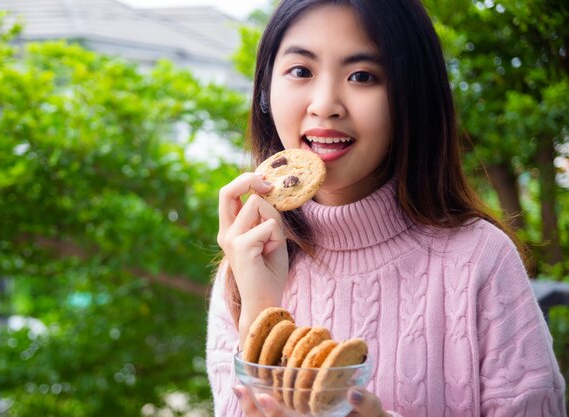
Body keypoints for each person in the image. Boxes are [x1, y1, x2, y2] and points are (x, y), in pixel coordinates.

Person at [206, 0, 567, 416]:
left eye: (362, 76)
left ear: (410, 99)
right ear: (267, 91)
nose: (325, 104)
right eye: (301, 71)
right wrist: (259, 307)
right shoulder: (245, 265)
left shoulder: (480, 260)